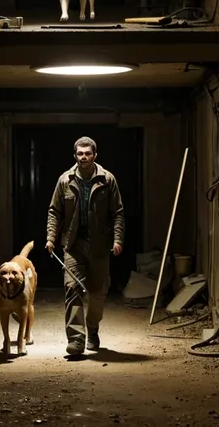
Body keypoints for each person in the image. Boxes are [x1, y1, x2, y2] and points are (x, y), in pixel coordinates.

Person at [46, 136, 124, 355]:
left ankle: (92, 328)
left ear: (94, 155)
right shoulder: (65, 180)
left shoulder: (107, 180)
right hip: (73, 244)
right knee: (72, 288)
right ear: (75, 155)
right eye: (79, 154)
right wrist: (51, 238)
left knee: (98, 292)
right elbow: (54, 211)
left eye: (87, 153)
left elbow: (117, 213)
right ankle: (76, 339)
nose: (83, 158)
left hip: (99, 244)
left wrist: (117, 240)